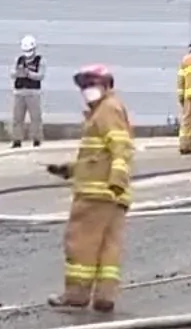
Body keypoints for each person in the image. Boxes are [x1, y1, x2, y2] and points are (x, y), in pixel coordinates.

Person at [47, 64, 134, 313]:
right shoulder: (110, 109)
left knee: (81, 242)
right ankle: (105, 296)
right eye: (84, 86)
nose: (87, 90)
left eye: (92, 84)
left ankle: (76, 294)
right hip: (113, 195)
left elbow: (120, 146)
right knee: (109, 246)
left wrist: (116, 178)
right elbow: (99, 156)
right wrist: (70, 169)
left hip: (96, 193)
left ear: (106, 85)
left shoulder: (106, 110)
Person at [10, 36, 46, 148]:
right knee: (17, 117)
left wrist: (29, 74)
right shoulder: (19, 59)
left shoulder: (40, 60)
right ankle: (17, 139)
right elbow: (12, 73)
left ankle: (37, 139)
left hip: (33, 92)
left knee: (35, 117)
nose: (27, 53)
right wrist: (18, 73)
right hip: (19, 92)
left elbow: (40, 75)